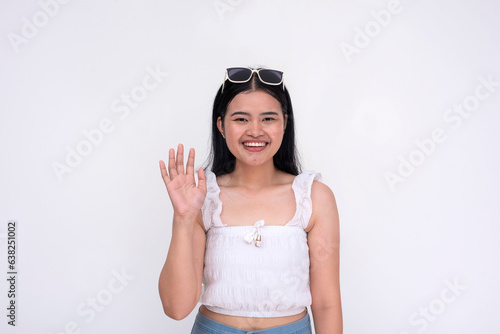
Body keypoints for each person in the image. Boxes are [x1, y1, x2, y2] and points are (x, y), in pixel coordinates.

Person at [158, 67, 342, 333]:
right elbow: (176, 308)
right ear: (221, 125)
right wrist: (184, 218)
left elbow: (326, 304)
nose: (255, 131)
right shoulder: (203, 197)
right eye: (241, 119)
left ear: (285, 123)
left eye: (268, 119)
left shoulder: (313, 197)